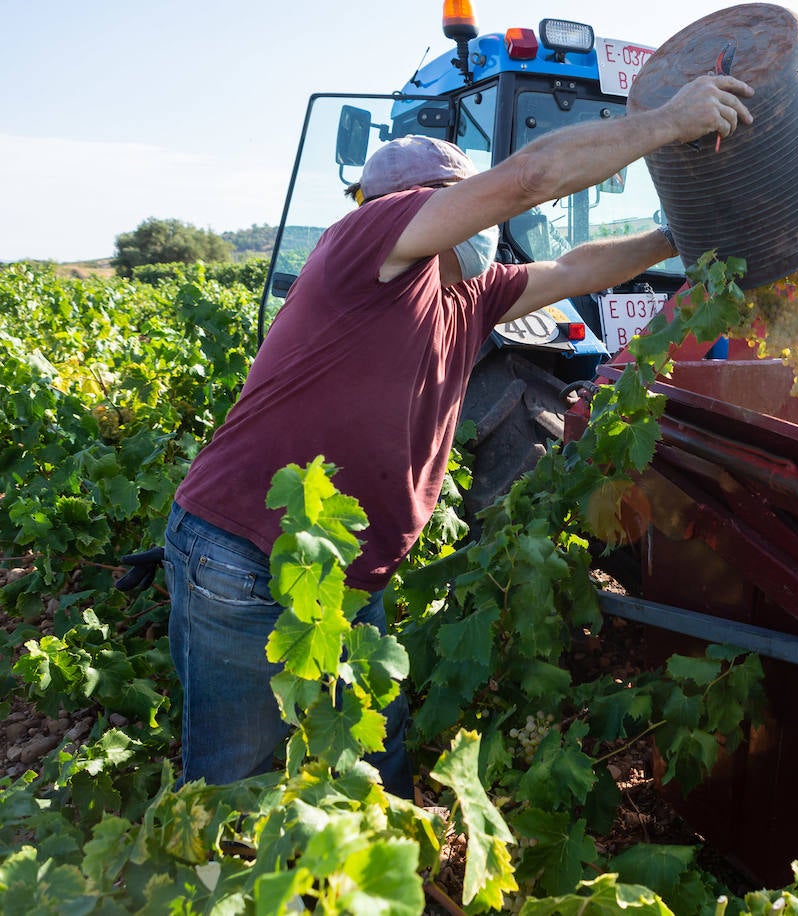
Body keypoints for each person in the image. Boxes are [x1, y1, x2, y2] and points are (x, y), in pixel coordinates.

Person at [160, 73, 754, 798]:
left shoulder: (466, 296)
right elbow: (529, 177)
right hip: (246, 558)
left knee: (374, 766)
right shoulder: (362, 243)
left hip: (349, 566)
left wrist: (680, 236)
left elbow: (573, 267)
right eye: (459, 202)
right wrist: (666, 122)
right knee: (236, 786)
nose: (481, 221)